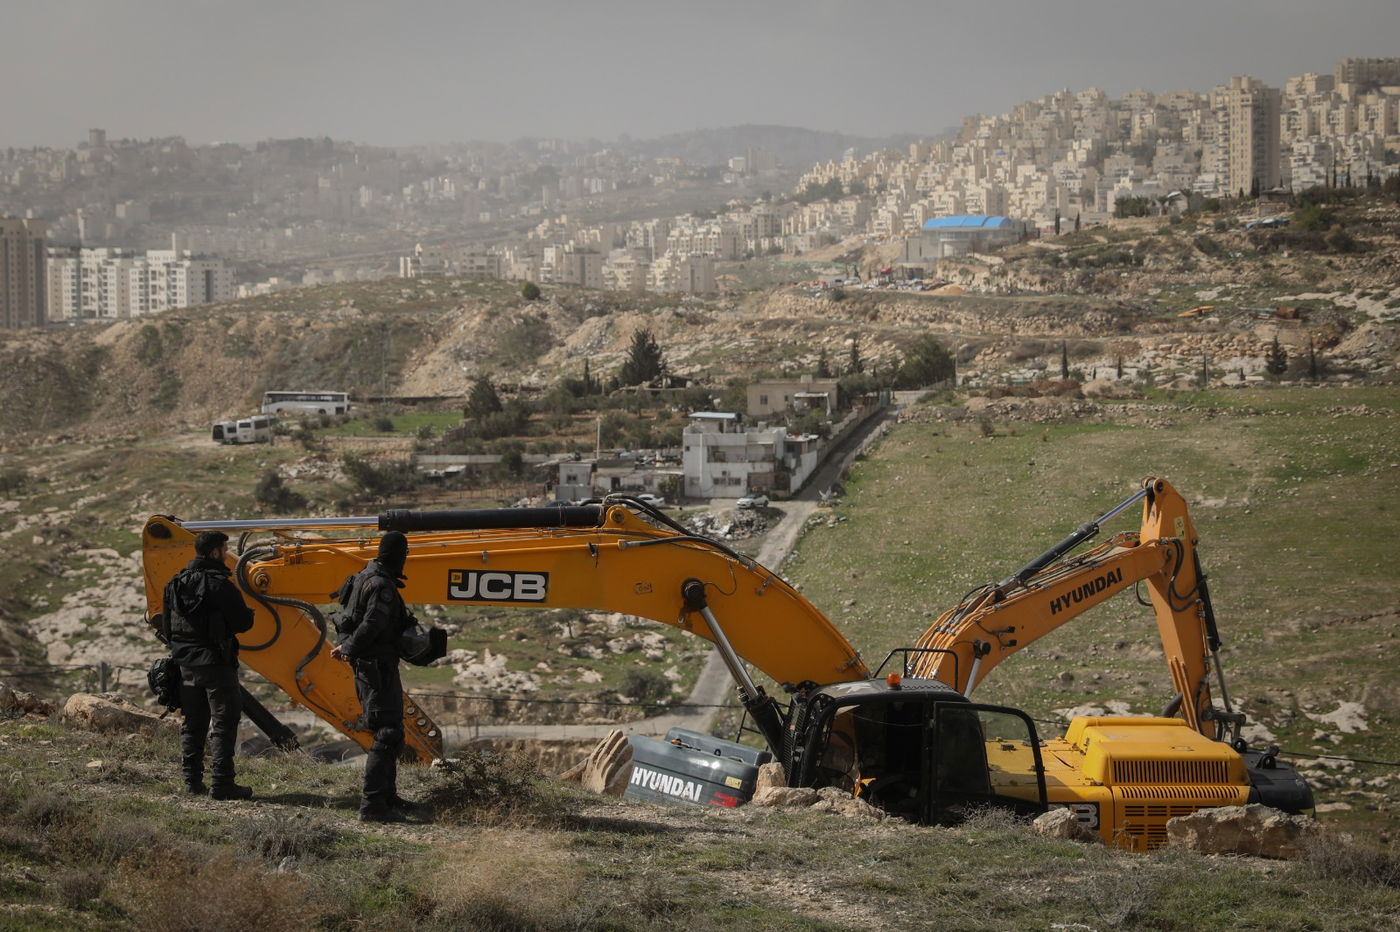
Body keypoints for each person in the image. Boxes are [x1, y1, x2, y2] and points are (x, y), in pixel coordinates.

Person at [330, 531, 419, 822]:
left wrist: (348, 647)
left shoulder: (360, 577)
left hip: (371, 664)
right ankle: (372, 807)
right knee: (386, 732)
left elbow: (346, 618)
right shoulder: (382, 585)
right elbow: (373, 623)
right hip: (376, 666)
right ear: (398, 556)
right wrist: (349, 647)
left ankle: (387, 797)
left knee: (392, 728)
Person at [163, 530, 256, 800]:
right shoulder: (219, 584)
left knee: (194, 723)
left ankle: (192, 782)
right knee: (225, 721)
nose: (226, 554)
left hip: (185, 664)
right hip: (215, 663)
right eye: (225, 549)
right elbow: (242, 623)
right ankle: (222, 783)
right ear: (215, 551)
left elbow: (167, 627)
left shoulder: (175, 583)